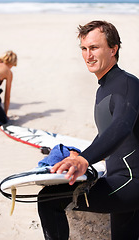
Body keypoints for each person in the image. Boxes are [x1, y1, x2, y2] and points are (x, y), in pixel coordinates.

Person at [37, 21, 139, 240]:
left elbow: (122, 126)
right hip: (121, 179)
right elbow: (106, 134)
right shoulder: (104, 89)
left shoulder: (128, 84)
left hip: (131, 181)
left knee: (49, 200)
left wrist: (85, 159)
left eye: (94, 48)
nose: (88, 55)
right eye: (84, 49)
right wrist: (79, 154)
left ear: (113, 49)